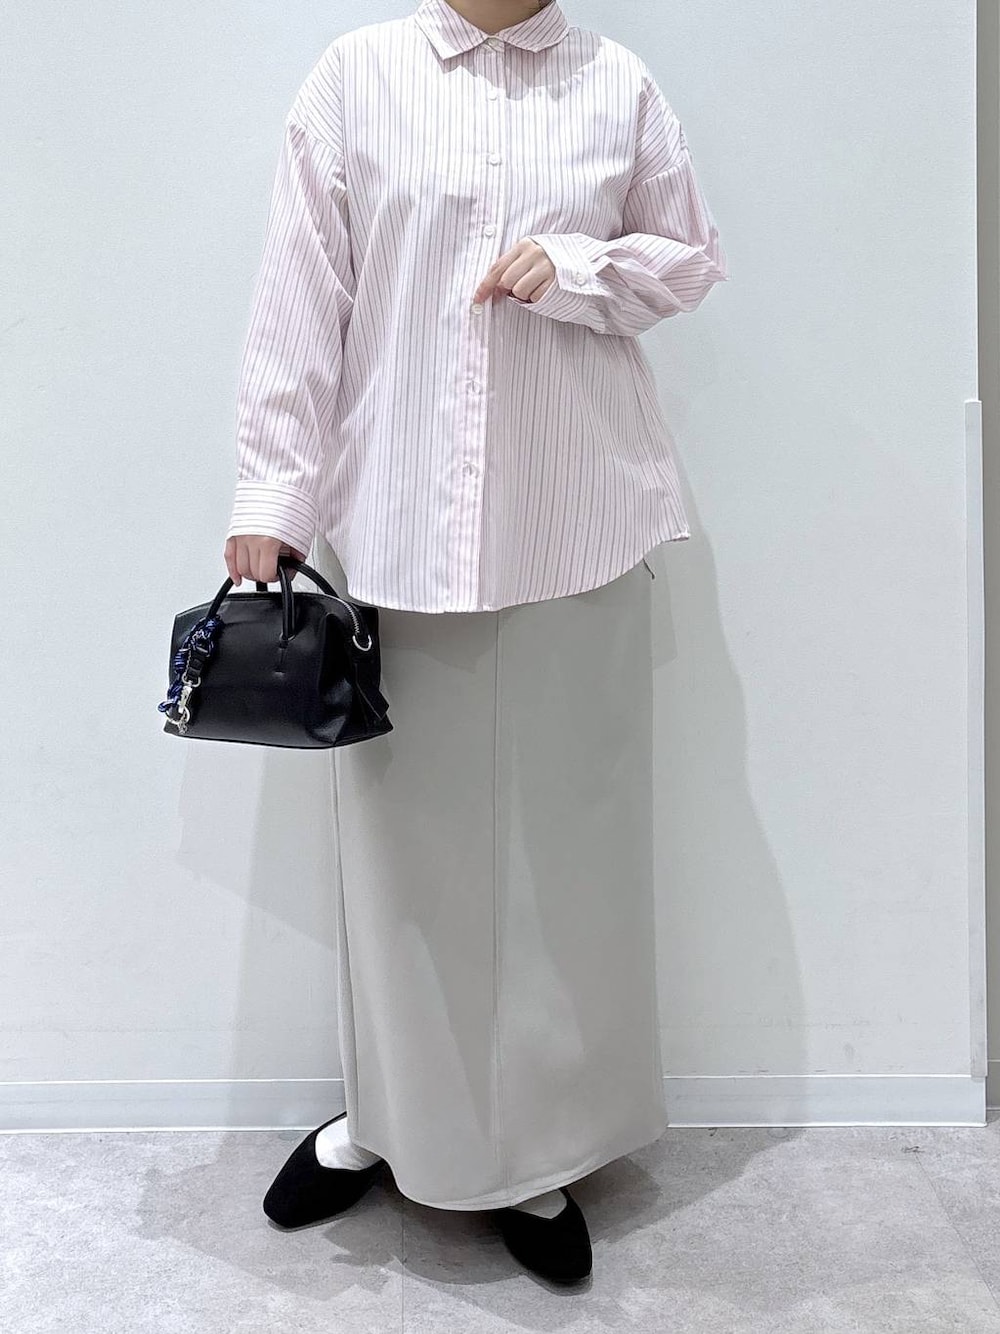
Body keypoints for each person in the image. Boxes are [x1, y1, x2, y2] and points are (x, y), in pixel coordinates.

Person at [223, 0, 728, 1285]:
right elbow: (301, 297)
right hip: (400, 529)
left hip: (578, 523)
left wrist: (580, 267)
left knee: (567, 858)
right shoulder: (355, 78)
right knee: (402, 862)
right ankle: (385, 1122)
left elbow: (688, 258)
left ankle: (535, 1144)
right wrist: (273, 495)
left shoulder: (615, 84)